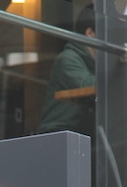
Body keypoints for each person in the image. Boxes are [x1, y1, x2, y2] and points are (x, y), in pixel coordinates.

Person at [37, 3, 96, 135]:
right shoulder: (67, 59)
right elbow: (86, 86)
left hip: (80, 136)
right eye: (108, 35)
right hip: (57, 136)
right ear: (90, 33)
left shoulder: (94, 64)